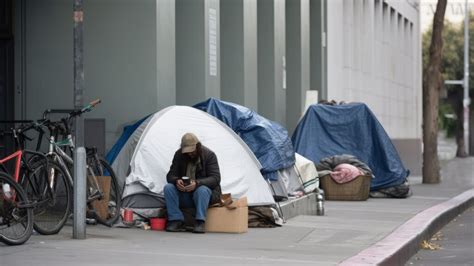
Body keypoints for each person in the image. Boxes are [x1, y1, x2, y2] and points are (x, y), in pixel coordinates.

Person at [164, 133, 221, 233]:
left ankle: (200, 222)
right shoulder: (179, 155)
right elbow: (170, 175)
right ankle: (176, 220)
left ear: (198, 146)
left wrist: (197, 183)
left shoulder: (209, 155)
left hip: (204, 196)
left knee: (202, 190)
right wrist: (176, 180)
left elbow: (215, 178)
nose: (190, 154)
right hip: (185, 194)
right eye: (187, 152)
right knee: (168, 187)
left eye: (192, 151)